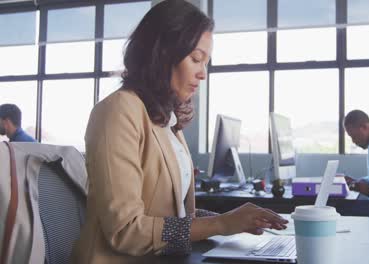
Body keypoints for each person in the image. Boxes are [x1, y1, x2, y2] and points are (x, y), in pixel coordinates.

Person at [71, 1, 287, 263]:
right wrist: (220, 224)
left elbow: (177, 218)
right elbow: (126, 230)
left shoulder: (167, 122)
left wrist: (234, 219)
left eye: (206, 62)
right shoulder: (118, 111)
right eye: (196, 59)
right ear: (162, 53)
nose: (203, 73)